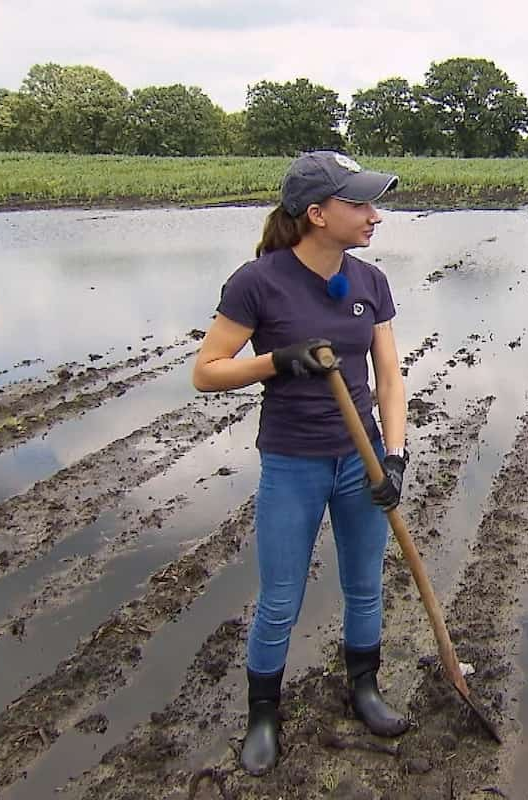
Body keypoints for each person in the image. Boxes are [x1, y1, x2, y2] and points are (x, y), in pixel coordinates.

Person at [191, 150, 411, 776]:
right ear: (316, 214)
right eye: (360, 204)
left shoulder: (369, 281)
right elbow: (206, 373)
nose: (375, 215)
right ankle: (263, 714)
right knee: (281, 595)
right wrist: (278, 361)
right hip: (293, 463)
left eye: (374, 202)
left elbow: (389, 377)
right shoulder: (257, 282)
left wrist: (393, 458)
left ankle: (364, 688)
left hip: (362, 457)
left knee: (365, 585)